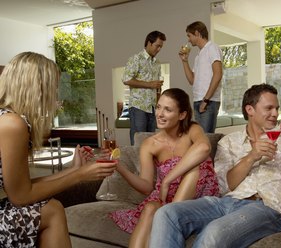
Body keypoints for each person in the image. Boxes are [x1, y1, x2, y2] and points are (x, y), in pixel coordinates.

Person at [149, 84, 281, 247]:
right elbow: (226, 185)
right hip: (226, 202)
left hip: (267, 207)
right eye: (269, 108)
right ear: (250, 110)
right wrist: (251, 156)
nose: (275, 114)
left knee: (214, 232)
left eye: (277, 108)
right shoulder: (228, 142)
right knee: (166, 213)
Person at [0, 52, 117, 248]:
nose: (56, 93)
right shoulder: (12, 123)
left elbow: (21, 186)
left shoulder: (8, 117)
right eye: (53, 86)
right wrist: (80, 174)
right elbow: (20, 197)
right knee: (52, 209)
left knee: (51, 206)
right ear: (36, 87)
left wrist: (73, 170)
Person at [109, 88, 219, 248]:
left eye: (167, 109)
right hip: (167, 196)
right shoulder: (150, 144)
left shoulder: (192, 130)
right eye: (159, 107)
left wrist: (167, 179)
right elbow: (147, 187)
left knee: (194, 167)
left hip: (198, 193)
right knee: (149, 209)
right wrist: (120, 167)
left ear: (182, 115)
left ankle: (170, 216)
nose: (159, 114)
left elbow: (203, 148)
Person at [122, 30, 166, 145]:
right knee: (139, 140)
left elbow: (157, 87)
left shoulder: (157, 63)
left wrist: (158, 103)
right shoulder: (136, 59)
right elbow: (126, 79)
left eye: (161, 47)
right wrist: (150, 84)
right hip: (138, 107)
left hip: (152, 107)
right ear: (149, 43)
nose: (159, 49)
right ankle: (137, 163)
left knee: (151, 140)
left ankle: (149, 163)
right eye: (157, 46)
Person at [178, 21, 222, 133]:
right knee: (199, 139)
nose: (188, 39)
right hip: (198, 101)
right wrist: (184, 61)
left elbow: (218, 74)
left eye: (189, 35)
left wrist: (206, 100)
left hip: (208, 101)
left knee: (206, 140)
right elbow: (192, 80)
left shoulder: (212, 48)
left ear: (197, 33)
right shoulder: (199, 55)